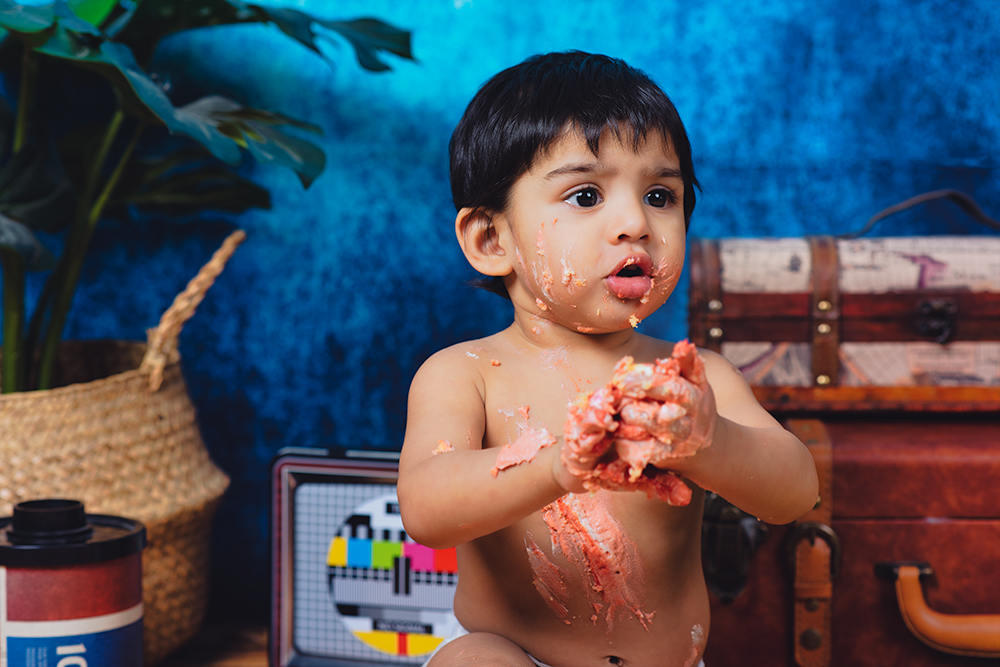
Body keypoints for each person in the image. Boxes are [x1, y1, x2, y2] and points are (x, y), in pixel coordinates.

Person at [397, 51, 819, 667]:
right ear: (493, 240)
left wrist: (708, 443)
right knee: (470, 661)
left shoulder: (692, 382)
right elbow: (426, 509)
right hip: (519, 656)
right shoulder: (463, 373)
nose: (635, 223)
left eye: (659, 194)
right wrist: (556, 468)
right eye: (587, 194)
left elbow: (796, 494)